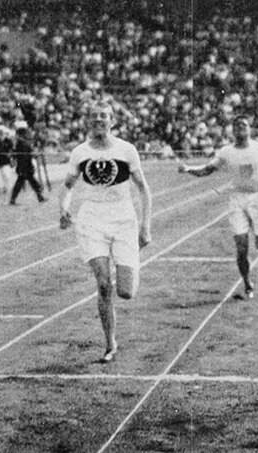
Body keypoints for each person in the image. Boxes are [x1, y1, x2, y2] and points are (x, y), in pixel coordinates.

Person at [59, 102, 152, 363]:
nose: (99, 120)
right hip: (91, 219)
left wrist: (145, 226)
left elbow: (144, 190)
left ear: (112, 121)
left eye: (104, 116)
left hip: (123, 218)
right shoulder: (80, 152)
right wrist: (64, 209)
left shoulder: (126, 150)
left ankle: (131, 263)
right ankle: (110, 342)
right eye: (94, 116)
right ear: (88, 121)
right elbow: (67, 186)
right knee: (102, 283)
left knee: (126, 292)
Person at [178, 115, 258, 300]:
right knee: (241, 247)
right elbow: (208, 170)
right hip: (237, 201)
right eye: (236, 126)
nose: (240, 128)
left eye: (243, 125)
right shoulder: (226, 151)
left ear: (249, 128)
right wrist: (189, 169)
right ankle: (247, 283)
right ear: (232, 131)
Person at [9, 125, 46, 205]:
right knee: (28, 183)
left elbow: (28, 152)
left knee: (26, 183)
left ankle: (40, 197)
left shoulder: (21, 143)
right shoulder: (20, 144)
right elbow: (26, 154)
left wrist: (34, 153)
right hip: (24, 167)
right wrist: (34, 154)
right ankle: (40, 197)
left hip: (25, 167)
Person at [0, 125, 15, 194]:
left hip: (8, 160)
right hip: (1, 160)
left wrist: (11, 155)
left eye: (2, 134)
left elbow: (12, 149)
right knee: (3, 175)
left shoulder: (8, 140)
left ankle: (9, 187)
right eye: (0, 134)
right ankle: (6, 186)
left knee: (7, 174)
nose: (1, 135)